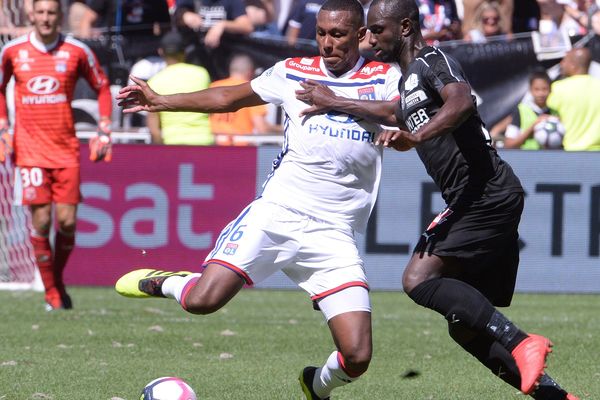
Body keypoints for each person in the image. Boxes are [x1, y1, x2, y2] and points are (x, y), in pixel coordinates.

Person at [115, 1, 400, 400]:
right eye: (321, 33)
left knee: (357, 356)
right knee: (203, 301)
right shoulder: (293, 72)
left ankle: (316, 386)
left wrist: (356, 112)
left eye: (338, 35)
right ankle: (168, 282)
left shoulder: (385, 77)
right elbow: (229, 98)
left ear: (361, 35)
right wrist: (161, 100)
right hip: (278, 212)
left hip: (334, 232)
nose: (327, 43)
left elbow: (398, 113)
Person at [295, 0, 579, 398]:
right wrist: (334, 101)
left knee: (417, 279)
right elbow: (394, 112)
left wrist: (418, 136)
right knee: (463, 323)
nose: (369, 38)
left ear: (405, 26)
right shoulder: (408, 78)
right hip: (477, 196)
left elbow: (461, 102)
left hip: (485, 192)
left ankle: (520, 342)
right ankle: (556, 396)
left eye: (377, 29)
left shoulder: (432, 59)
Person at [0, 0, 112, 310]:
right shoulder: (13, 52)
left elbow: (102, 87)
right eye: (41, 13)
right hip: (30, 150)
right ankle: (53, 293)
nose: (46, 18)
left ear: (59, 16)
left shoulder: (76, 51)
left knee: (67, 223)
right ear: (30, 15)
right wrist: (3, 127)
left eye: (51, 13)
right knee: (42, 219)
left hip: (65, 150)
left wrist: (104, 129)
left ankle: (56, 283)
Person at [146, 31, 213, 145]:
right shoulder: (202, 74)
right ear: (185, 51)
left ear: (161, 52)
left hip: (171, 142)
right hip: (203, 141)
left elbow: (154, 129)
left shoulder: (154, 82)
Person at [209, 53, 282, 146]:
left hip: (214, 145)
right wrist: (282, 129)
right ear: (250, 72)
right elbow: (262, 128)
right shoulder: (252, 91)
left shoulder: (214, 87)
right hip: (239, 149)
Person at [546, 47, 600, 151]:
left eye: (564, 60)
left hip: (572, 154)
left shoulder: (557, 88)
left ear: (573, 65)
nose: (561, 64)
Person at [503, 70, 558, 149]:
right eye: (537, 89)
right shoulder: (520, 111)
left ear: (550, 89)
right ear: (530, 90)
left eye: (544, 89)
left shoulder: (555, 113)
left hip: (550, 160)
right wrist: (532, 128)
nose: (541, 93)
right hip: (527, 159)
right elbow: (508, 145)